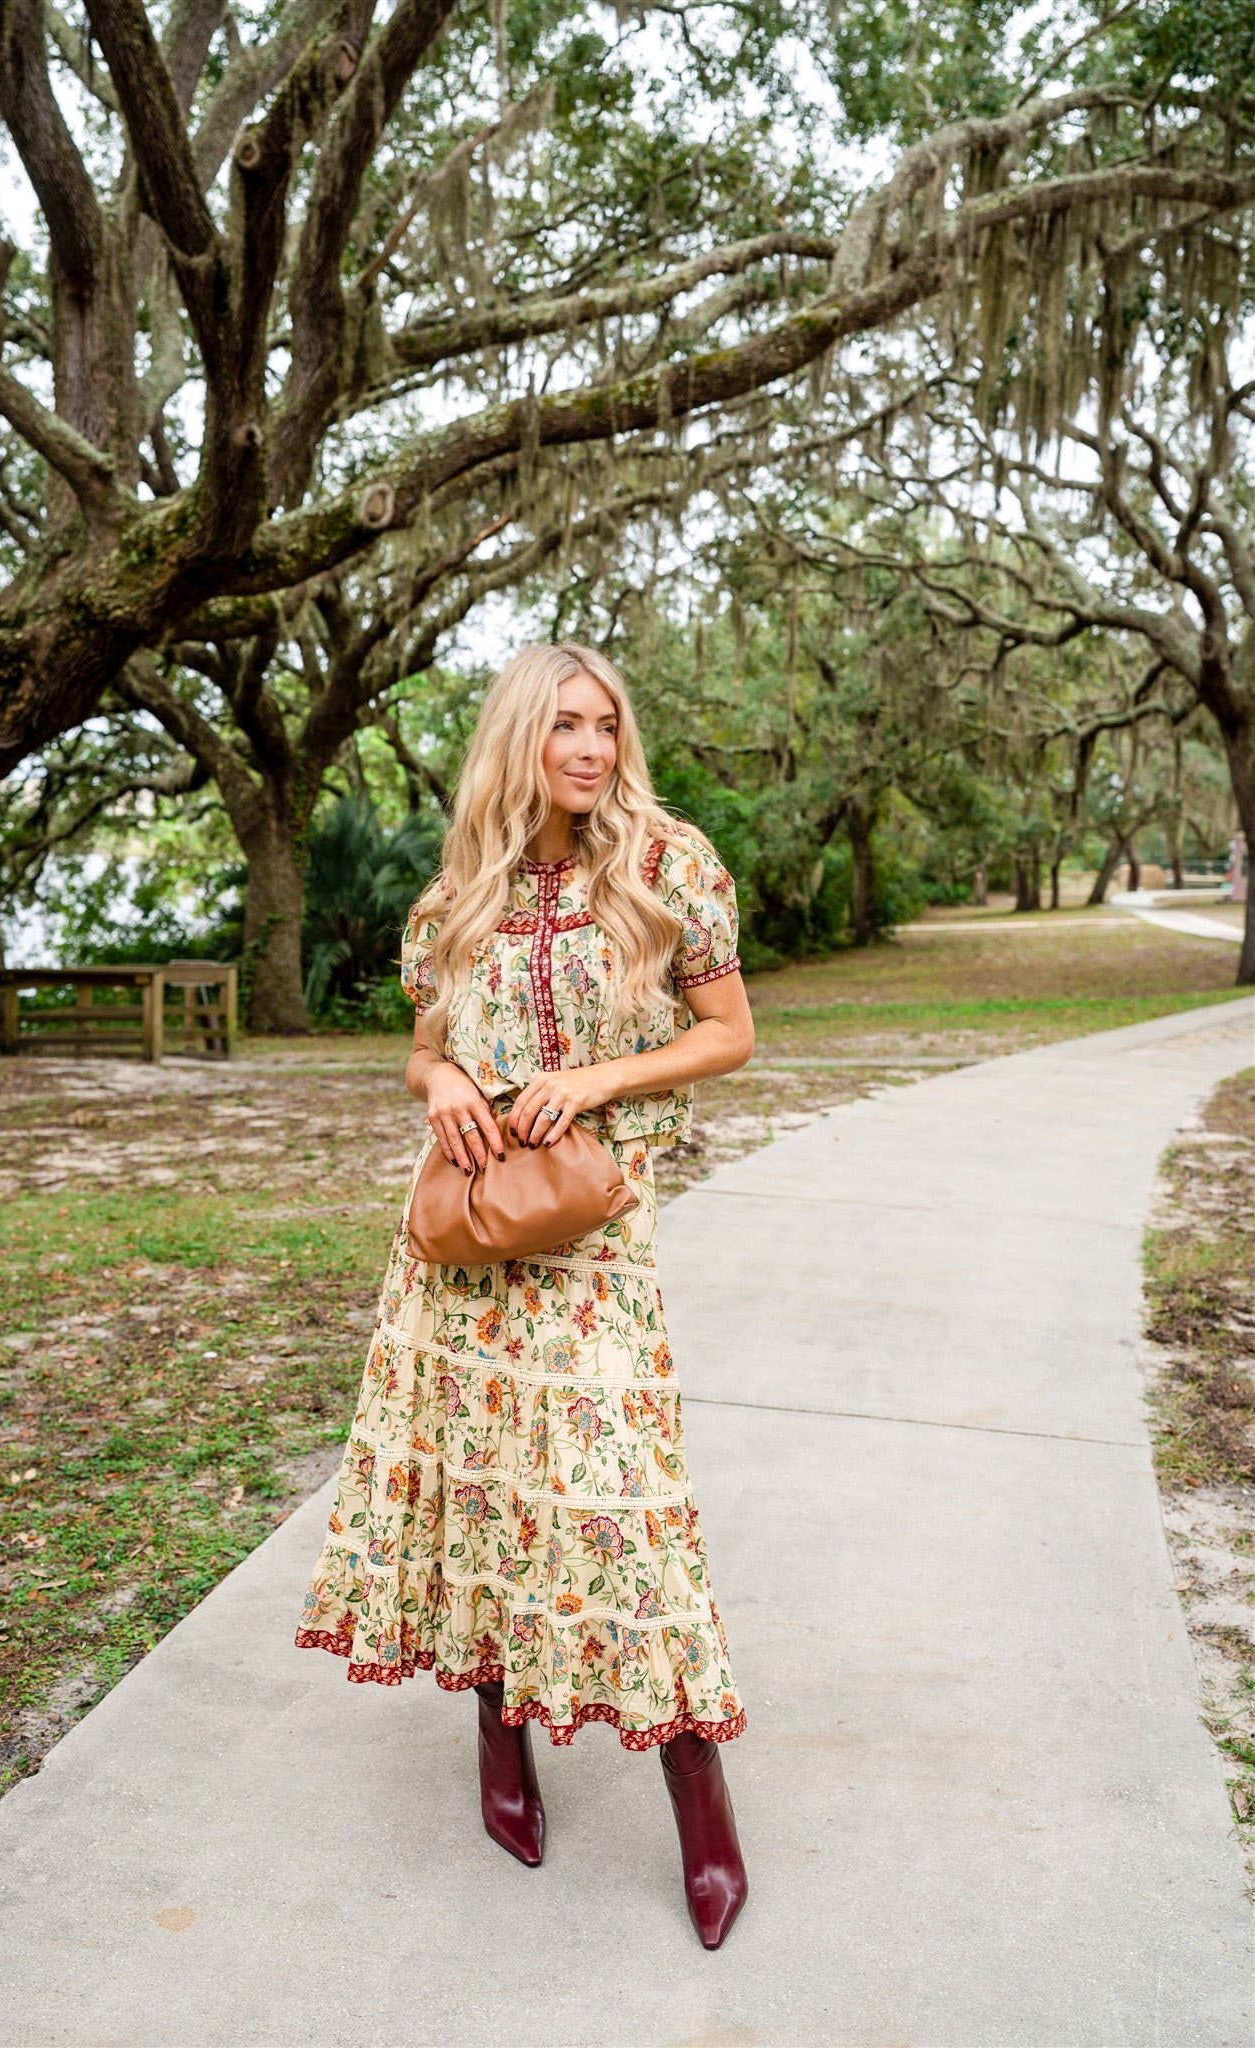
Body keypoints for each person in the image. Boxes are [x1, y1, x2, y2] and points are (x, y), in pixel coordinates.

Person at [294, 641, 755, 1949]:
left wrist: (600, 1083)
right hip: (461, 1247)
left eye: (605, 724)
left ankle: (700, 1803)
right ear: (518, 736)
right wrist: (435, 1084)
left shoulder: (670, 863)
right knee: (488, 1492)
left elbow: (729, 1034)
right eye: (562, 726)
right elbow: (428, 1048)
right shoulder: (458, 892)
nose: (589, 749)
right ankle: (499, 1745)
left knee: (623, 1506)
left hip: (594, 1241)